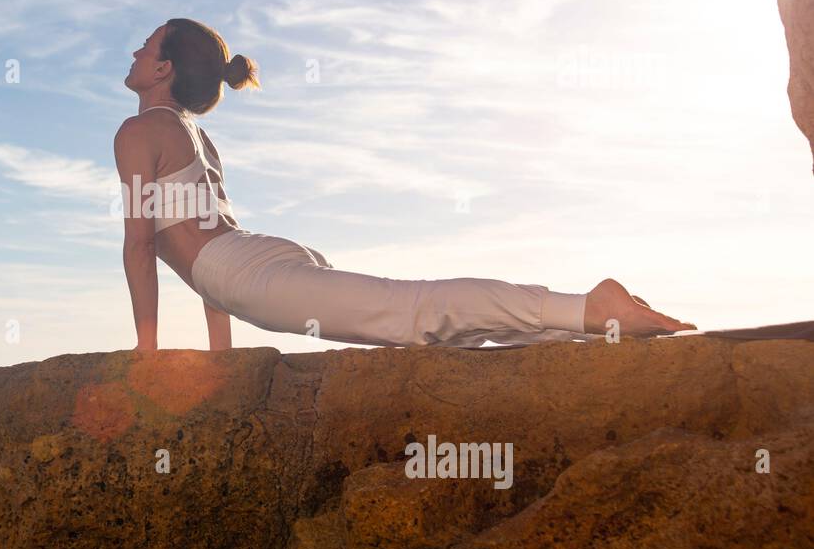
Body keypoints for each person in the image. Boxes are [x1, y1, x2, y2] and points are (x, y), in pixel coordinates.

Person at [114, 18, 696, 352]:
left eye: (146, 45)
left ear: (163, 70)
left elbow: (146, 247)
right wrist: (222, 358)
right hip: (250, 261)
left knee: (408, 311)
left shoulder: (140, 130)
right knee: (421, 331)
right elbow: (202, 247)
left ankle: (589, 305)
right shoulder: (187, 132)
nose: (136, 50)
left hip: (242, 270)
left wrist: (147, 354)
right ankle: (580, 338)